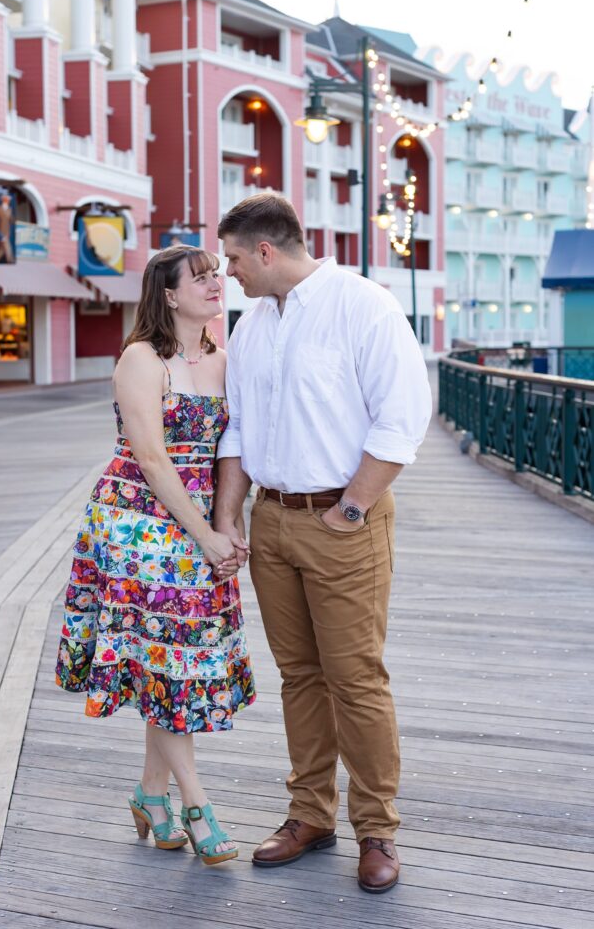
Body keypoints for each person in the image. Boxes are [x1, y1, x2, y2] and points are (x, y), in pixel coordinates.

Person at [214, 193, 431, 893]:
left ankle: (377, 828)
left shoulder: (361, 304)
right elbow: (238, 430)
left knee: (355, 678)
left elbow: (402, 417)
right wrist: (233, 517)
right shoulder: (251, 327)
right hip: (273, 521)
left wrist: (352, 508)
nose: (230, 272)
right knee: (300, 678)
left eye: (236, 258)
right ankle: (310, 813)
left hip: (344, 520)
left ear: (267, 252)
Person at [55, 245, 256, 865]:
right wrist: (203, 535)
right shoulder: (141, 359)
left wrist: (227, 524)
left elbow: (233, 448)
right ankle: (196, 804)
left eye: (216, 275)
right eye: (200, 278)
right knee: (164, 659)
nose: (215, 284)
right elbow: (150, 457)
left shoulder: (226, 359)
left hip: (199, 521)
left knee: (169, 661)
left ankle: (150, 795)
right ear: (169, 295)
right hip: (138, 522)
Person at [0, 192, 14, 263]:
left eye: (9, 199)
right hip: (0, 232)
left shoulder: (9, 209)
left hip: (7, 233)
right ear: (3, 199)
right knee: (8, 248)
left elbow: (11, 220)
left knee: (1, 250)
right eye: (7, 199)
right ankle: (10, 261)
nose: (9, 200)